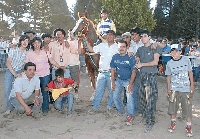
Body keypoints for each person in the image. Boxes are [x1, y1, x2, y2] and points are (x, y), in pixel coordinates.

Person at [25, 37, 61, 115]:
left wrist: (59, 67)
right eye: (35, 43)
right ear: (32, 44)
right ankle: (36, 109)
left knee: (45, 91)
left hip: (45, 75)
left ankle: (45, 109)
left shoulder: (45, 51)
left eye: (38, 42)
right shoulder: (29, 53)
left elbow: (51, 60)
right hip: (34, 76)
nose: (37, 44)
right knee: (35, 93)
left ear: (41, 43)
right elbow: (26, 64)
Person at [135, 30, 162, 132]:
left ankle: (150, 121)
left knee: (150, 99)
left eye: (145, 36)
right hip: (142, 75)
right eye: (141, 36)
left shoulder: (155, 47)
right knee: (142, 98)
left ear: (149, 37)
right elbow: (137, 58)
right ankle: (146, 115)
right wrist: (136, 60)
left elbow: (155, 62)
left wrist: (142, 64)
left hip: (151, 76)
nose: (143, 38)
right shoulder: (140, 49)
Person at [165, 44, 194, 137]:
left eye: (176, 51)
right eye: (172, 51)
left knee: (187, 108)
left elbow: (190, 72)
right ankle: (173, 122)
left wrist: (192, 85)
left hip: (185, 89)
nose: (174, 53)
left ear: (180, 51)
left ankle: (188, 126)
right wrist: (168, 89)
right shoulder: (169, 63)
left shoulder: (186, 60)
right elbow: (168, 77)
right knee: (173, 107)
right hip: (174, 89)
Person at [87, 30, 119, 114]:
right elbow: (92, 50)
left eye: (111, 35)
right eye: (108, 35)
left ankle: (109, 107)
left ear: (114, 36)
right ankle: (95, 107)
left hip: (111, 73)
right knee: (98, 91)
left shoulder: (118, 47)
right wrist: (85, 41)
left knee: (112, 91)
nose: (109, 36)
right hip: (101, 73)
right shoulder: (101, 45)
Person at [110, 39, 136, 125]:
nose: (121, 48)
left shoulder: (131, 58)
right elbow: (112, 70)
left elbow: (134, 71)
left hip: (128, 80)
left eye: (123, 47)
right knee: (115, 97)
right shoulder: (115, 57)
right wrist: (112, 82)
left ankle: (130, 116)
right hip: (118, 80)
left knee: (130, 99)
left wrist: (130, 84)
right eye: (120, 47)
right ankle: (121, 111)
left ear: (127, 47)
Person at [4, 35, 30, 117]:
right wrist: (14, 74)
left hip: (20, 71)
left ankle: (17, 107)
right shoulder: (13, 49)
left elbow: (25, 65)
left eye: (27, 41)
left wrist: (21, 73)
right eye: (23, 40)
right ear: (20, 41)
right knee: (7, 89)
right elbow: (8, 63)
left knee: (17, 90)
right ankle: (8, 108)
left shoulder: (27, 52)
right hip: (10, 70)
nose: (25, 42)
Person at [67, 29, 82, 100]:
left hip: (75, 64)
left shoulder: (77, 42)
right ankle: (67, 94)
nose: (70, 35)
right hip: (66, 65)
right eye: (69, 33)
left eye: (72, 33)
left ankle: (76, 94)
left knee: (76, 80)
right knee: (66, 80)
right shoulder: (65, 42)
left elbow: (79, 51)